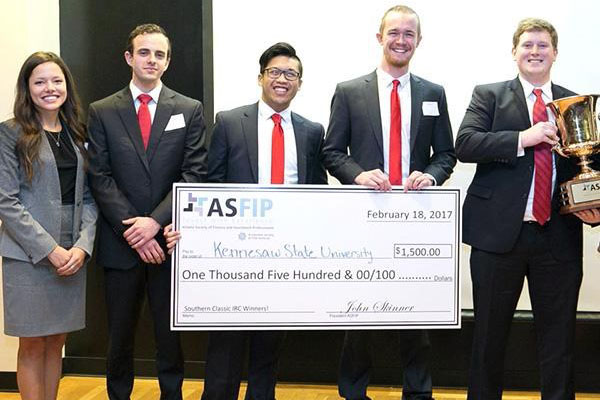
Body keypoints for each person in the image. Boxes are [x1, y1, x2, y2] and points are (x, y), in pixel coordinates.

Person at [165, 42, 327, 400]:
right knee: (225, 348)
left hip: (285, 258)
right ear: (260, 78)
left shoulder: (312, 131)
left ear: (300, 83)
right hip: (234, 259)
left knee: (269, 350)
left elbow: (319, 194)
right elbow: (210, 185)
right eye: (274, 72)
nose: (282, 79)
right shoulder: (229, 121)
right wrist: (192, 230)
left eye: (290, 74)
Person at [455, 18, 599, 399]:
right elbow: (466, 144)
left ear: (555, 53)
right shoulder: (488, 95)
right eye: (527, 45)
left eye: (543, 46)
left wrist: (596, 207)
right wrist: (524, 137)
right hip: (497, 238)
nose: (535, 52)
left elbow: (591, 165)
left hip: (557, 238)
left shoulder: (574, 101)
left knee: (558, 340)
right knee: (488, 337)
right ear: (515, 52)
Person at [321, 5, 456, 400]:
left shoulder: (433, 93)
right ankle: (353, 392)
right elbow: (332, 151)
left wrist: (430, 176)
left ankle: (417, 393)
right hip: (363, 218)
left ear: (418, 40)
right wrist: (359, 174)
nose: (401, 40)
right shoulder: (349, 91)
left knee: (416, 315)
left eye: (409, 34)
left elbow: (445, 153)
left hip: (414, 220)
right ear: (379, 37)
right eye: (394, 32)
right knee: (358, 315)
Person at [87, 24, 207, 399]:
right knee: (119, 335)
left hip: (168, 243)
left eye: (159, 54)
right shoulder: (102, 111)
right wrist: (135, 231)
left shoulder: (189, 109)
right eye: (144, 52)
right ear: (129, 57)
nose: (151, 60)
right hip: (120, 244)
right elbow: (100, 177)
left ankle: (171, 394)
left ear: (167, 61)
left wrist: (154, 222)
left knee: (169, 336)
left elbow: (194, 174)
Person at [0, 51, 97, 400]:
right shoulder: (10, 134)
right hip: (28, 256)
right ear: (27, 88)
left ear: (67, 86)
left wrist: (82, 246)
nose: (50, 88)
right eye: (40, 81)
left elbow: (89, 198)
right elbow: (6, 202)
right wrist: (51, 250)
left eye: (57, 80)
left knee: (57, 340)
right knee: (33, 342)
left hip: (72, 255)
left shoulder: (77, 133)